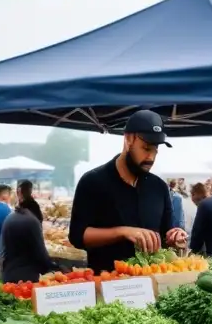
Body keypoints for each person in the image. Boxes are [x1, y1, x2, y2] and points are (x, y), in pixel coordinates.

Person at [68, 110, 187, 273]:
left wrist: (175, 236)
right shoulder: (93, 181)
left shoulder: (159, 187)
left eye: (155, 151)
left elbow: (166, 233)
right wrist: (122, 231)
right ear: (128, 139)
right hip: (107, 285)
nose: (151, 157)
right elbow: (77, 236)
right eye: (146, 148)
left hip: (152, 285)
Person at [0, 202, 57, 283]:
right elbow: (41, 253)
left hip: (8, 275)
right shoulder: (32, 221)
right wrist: (56, 268)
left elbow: (2, 250)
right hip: (27, 278)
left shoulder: (10, 217)